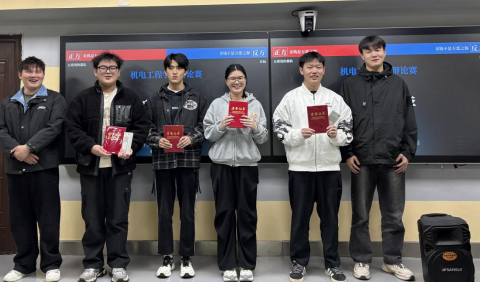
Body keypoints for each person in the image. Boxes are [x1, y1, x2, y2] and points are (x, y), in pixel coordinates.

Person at [65, 52, 149, 283]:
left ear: (119, 71)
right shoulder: (82, 98)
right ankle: (93, 265)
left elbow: (141, 128)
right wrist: (90, 146)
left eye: (112, 67)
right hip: (90, 167)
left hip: (120, 168)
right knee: (92, 218)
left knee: (118, 218)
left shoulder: (131, 97)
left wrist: (131, 147)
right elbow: (72, 128)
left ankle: (118, 264)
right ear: (95, 71)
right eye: (103, 67)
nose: (108, 71)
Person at [340, 36, 418, 282]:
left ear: (384, 52)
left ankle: (392, 261)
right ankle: (361, 260)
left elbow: (409, 120)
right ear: (362, 55)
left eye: (378, 49)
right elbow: (342, 122)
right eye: (369, 50)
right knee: (360, 215)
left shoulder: (399, 84)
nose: (374, 54)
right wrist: (347, 153)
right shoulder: (350, 84)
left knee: (394, 215)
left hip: (393, 161)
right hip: (361, 161)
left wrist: (407, 152)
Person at [273, 52, 354, 283]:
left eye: (318, 66)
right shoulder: (290, 99)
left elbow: (348, 132)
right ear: (301, 70)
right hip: (300, 169)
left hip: (329, 169)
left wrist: (336, 134)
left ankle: (333, 264)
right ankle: (299, 262)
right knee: (300, 218)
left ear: (324, 70)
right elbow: (279, 129)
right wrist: (299, 134)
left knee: (330, 219)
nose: (314, 71)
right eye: (309, 67)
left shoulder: (335, 100)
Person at [0, 57, 66, 283]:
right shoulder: (8, 103)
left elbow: (55, 127)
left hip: (45, 169)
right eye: (28, 71)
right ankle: (23, 265)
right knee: (20, 219)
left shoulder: (55, 99)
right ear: (20, 75)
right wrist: (18, 151)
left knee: (49, 219)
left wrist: (30, 147)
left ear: (43, 74)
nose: (33, 75)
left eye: (38, 71)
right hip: (16, 170)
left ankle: (51, 265)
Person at [204, 64, 269, 283]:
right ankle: (228, 264)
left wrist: (255, 127)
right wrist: (221, 125)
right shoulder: (217, 104)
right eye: (232, 78)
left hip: (247, 166)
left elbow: (264, 138)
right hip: (221, 166)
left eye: (240, 78)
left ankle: (247, 264)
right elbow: (208, 134)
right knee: (224, 215)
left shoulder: (255, 104)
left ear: (246, 80)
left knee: (247, 215)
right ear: (226, 81)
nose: (236, 82)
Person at [146, 53, 208, 279]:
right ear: (165, 71)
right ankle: (166, 257)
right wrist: (157, 140)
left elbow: (205, 126)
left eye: (179, 68)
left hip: (188, 161)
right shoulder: (154, 99)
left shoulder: (197, 97)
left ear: (185, 71)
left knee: (187, 212)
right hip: (163, 161)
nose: (174, 71)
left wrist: (191, 138)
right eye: (170, 67)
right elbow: (146, 128)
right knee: (164, 212)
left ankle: (186, 258)